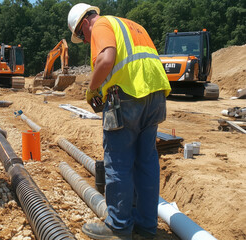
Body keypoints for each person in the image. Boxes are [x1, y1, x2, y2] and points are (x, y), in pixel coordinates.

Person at [68, 3, 171, 240]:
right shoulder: (133, 26)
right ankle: (145, 227)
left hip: (126, 96)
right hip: (155, 97)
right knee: (146, 162)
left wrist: (92, 90)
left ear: (85, 23)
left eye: (82, 36)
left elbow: (106, 60)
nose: (85, 42)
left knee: (118, 161)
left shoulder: (101, 24)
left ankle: (118, 226)